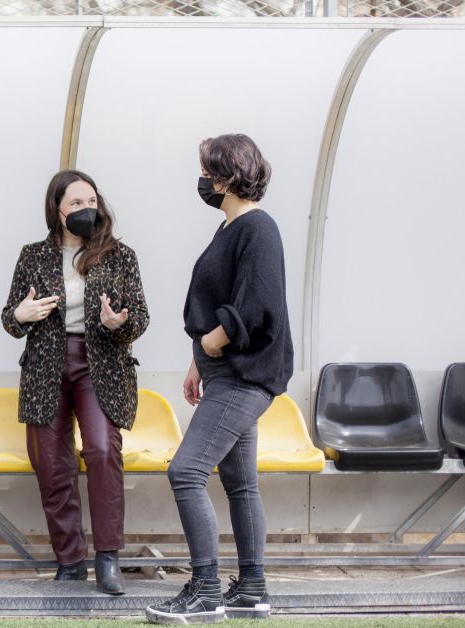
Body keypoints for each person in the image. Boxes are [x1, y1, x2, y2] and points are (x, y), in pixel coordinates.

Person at [145, 134, 292, 624]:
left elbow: (259, 302)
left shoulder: (258, 228)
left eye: (207, 171)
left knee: (185, 471)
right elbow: (221, 299)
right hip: (223, 373)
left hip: (242, 377)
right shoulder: (229, 229)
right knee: (240, 483)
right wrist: (197, 360)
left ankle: (206, 588)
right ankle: (251, 590)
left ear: (228, 176)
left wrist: (214, 342)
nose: (202, 180)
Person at [1, 170, 149, 595]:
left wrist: (116, 323)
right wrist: (20, 316)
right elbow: (10, 318)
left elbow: (140, 317)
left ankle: (107, 558)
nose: (86, 209)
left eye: (91, 201)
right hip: (45, 367)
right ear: (57, 210)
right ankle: (69, 560)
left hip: (99, 364)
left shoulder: (120, 255)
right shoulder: (33, 255)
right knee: (52, 463)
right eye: (76, 203)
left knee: (102, 449)